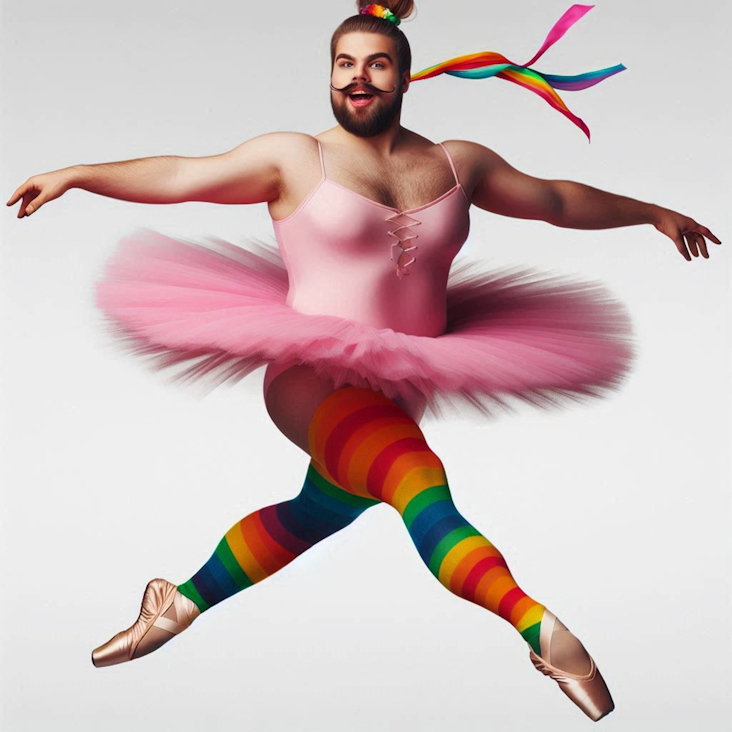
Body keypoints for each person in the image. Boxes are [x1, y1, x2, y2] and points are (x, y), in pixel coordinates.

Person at [5, 1, 721, 723]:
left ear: (405, 76)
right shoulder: (295, 157)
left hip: (403, 380)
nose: (357, 78)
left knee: (323, 506)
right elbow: (185, 173)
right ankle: (542, 630)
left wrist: (652, 210)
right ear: (329, 75)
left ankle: (178, 605)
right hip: (311, 377)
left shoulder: (456, 163)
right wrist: (77, 173)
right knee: (419, 481)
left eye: (375, 64)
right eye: (344, 64)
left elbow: (556, 200)